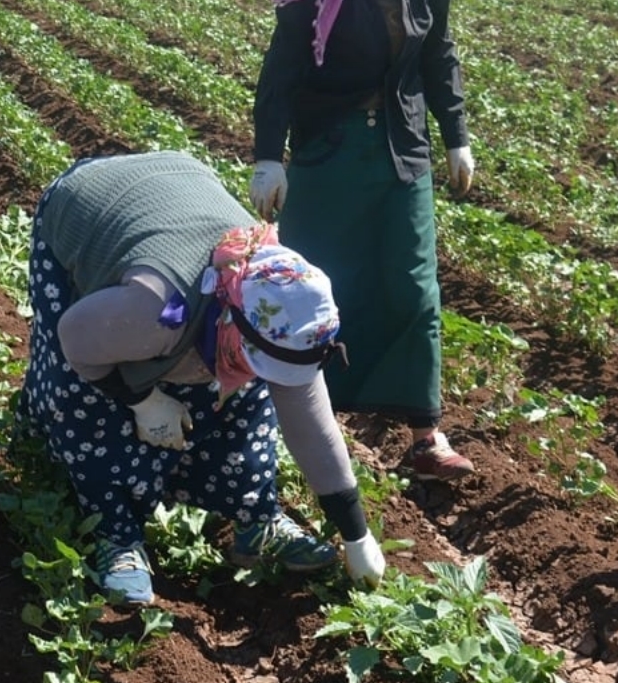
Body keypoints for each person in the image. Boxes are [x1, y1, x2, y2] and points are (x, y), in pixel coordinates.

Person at [20, 151, 387, 605]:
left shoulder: (283, 308)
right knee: (91, 396)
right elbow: (76, 339)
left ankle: (256, 520)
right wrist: (141, 400)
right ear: (231, 319)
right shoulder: (153, 310)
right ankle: (116, 535)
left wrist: (356, 535)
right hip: (89, 203)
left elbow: (310, 424)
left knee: (246, 392)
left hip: (182, 192)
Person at [249, 0, 477, 484]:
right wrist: (270, 154)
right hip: (328, 147)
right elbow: (284, 63)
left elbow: (438, 52)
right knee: (322, 288)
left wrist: (455, 134)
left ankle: (425, 434)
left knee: (413, 288)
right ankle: (314, 425)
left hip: (400, 149)